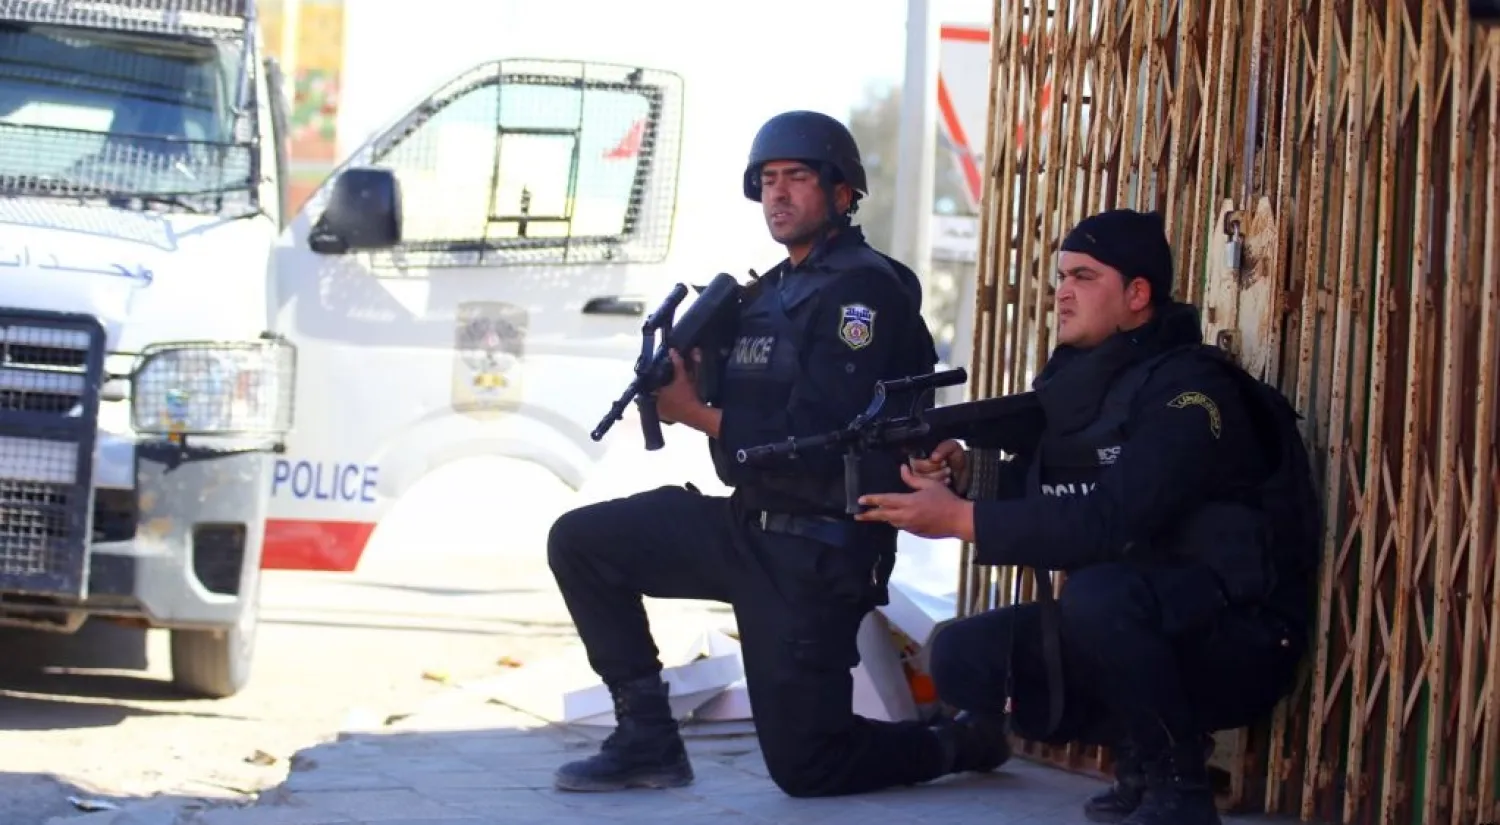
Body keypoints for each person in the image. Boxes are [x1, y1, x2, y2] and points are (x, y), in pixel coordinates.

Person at [545, 110, 1011, 799]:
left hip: (817, 555)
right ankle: (646, 736)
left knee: (807, 767)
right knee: (582, 541)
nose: (779, 194)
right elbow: (744, 448)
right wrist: (694, 375)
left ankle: (958, 739)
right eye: (768, 180)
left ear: (842, 191)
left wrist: (695, 411)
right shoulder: (767, 296)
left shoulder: (863, 291)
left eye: (797, 177)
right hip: (749, 525)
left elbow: (818, 432)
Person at [853, 208, 1321, 825]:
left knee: (1100, 595)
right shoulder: (1092, 388)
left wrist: (963, 520)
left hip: (1242, 639)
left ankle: (1177, 785)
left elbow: (1109, 518)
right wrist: (970, 475)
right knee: (962, 657)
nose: (1062, 292)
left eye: (1083, 276)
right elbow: (1062, 485)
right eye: (1060, 277)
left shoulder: (1193, 394)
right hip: (1145, 621)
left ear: (1137, 294)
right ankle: (1141, 755)